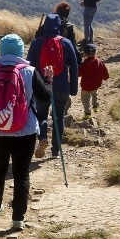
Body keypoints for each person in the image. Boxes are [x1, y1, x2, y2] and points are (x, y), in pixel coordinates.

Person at [0, 34, 53, 231]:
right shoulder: (30, 71)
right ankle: (18, 218)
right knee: (21, 173)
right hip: (24, 131)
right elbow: (45, 98)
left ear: (1, 50)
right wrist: (49, 79)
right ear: (20, 50)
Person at [27, 12, 79, 159]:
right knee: (59, 117)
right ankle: (56, 151)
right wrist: (73, 88)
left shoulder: (37, 42)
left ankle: (43, 137)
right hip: (62, 86)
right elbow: (75, 66)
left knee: (41, 114)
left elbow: (28, 65)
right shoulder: (66, 43)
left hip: (42, 85)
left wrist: (29, 87)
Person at [78, 43, 109, 120]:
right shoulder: (99, 62)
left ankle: (87, 113)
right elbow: (104, 71)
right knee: (95, 94)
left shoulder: (84, 64)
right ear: (96, 52)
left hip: (85, 85)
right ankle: (95, 106)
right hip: (96, 84)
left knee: (85, 99)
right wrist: (105, 77)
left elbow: (79, 73)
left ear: (85, 54)